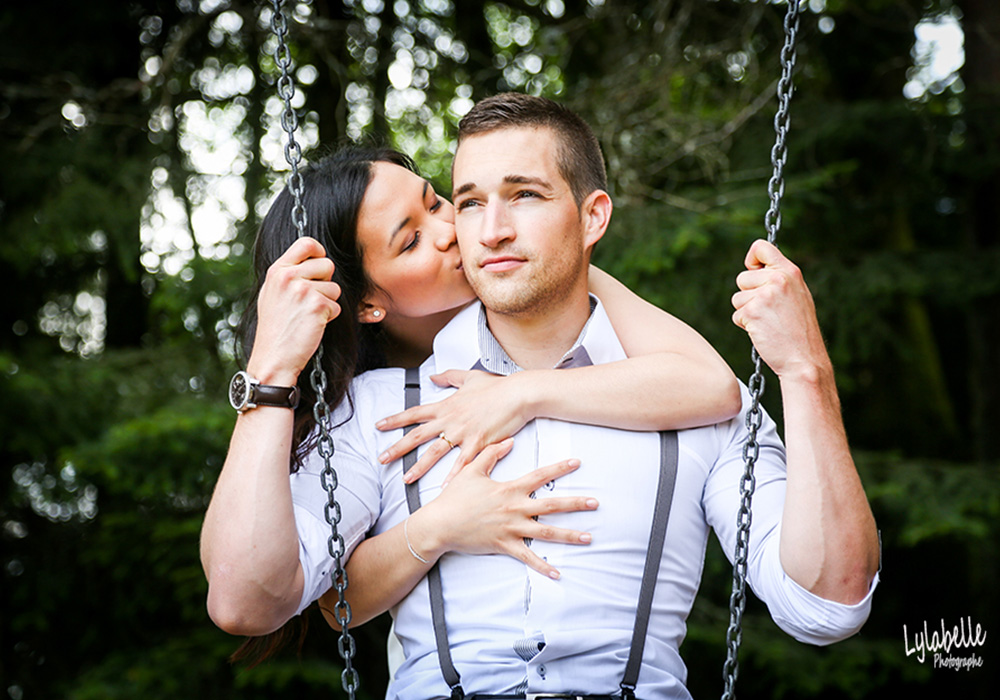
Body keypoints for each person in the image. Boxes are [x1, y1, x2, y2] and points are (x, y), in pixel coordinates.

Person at [292, 93, 881, 700]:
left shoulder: (700, 406)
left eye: (525, 195)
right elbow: (317, 599)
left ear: (593, 216)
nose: (491, 231)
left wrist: (805, 371)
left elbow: (827, 608)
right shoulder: (381, 409)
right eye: (469, 204)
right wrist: (435, 528)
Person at [199, 146, 742, 639]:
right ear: (367, 305)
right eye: (411, 240)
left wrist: (521, 391)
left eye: (437, 202)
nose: (449, 231)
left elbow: (712, 387)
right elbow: (285, 602)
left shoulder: (556, 299)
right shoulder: (371, 408)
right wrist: (271, 369)